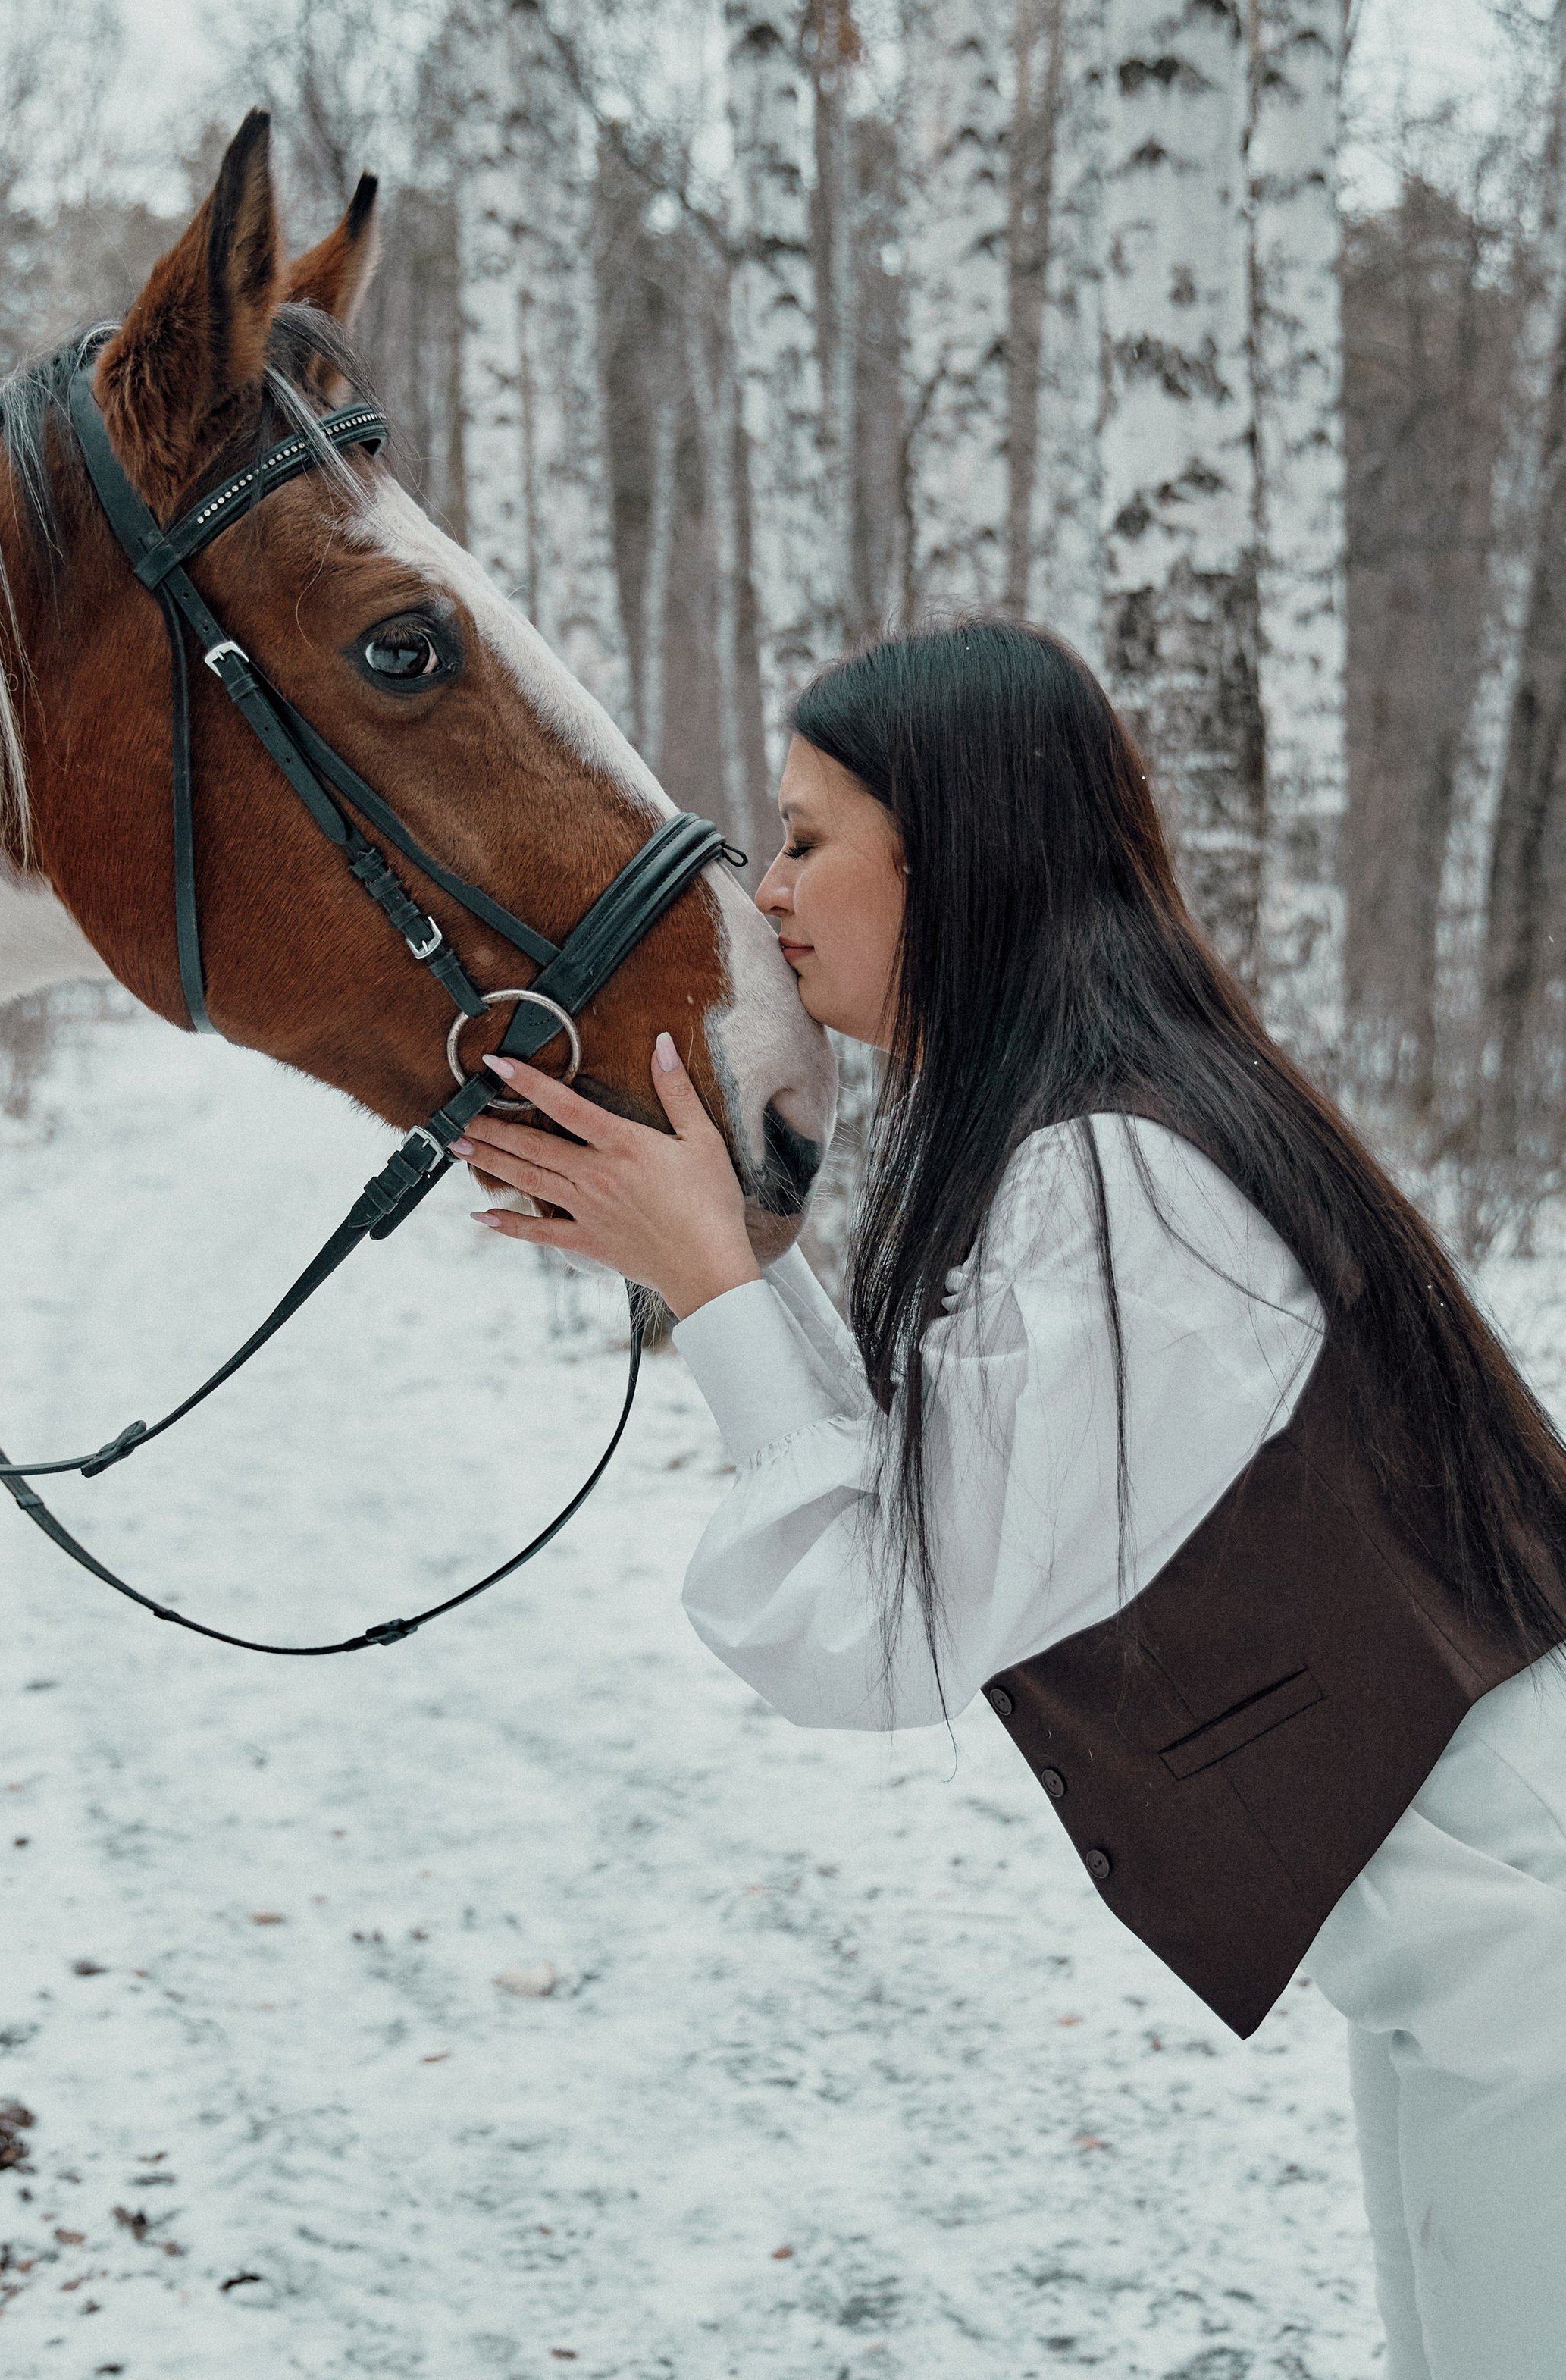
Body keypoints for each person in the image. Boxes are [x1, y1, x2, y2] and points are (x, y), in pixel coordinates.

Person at [451, 620, 1566, 2380]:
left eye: (806, 836)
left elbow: (877, 1621)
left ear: (952, 847)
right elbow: (940, 1510)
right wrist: (727, 1266)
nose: (765, 888)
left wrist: (721, 1289)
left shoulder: (1120, 1182)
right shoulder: (1109, 1134)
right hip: (1482, 1964)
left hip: (1529, 1953)